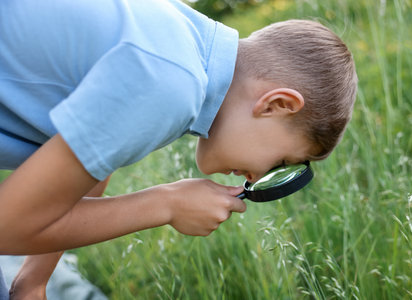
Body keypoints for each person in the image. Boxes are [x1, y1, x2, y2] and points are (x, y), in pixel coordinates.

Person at [0, 0, 357, 298]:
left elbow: (91, 168)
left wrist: (33, 281)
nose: (258, 177)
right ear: (276, 104)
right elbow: (6, 228)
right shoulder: (172, 86)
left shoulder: (183, 43)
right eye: (281, 162)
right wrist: (166, 204)